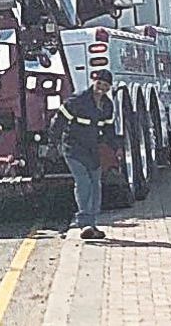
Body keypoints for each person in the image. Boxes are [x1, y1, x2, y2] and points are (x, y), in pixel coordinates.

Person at [49, 69, 115, 240]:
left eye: (105, 86)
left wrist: (114, 149)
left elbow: (108, 129)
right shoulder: (78, 100)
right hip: (73, 148)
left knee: (95, 185)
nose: (101, 88)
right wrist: (53, 144)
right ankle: (84, 223)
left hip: (92, 150)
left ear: (109, 88)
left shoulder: (107, 105)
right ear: (94, 82)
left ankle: (92, 224)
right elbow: (59, 120)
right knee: (83, 182)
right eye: (99, 83)